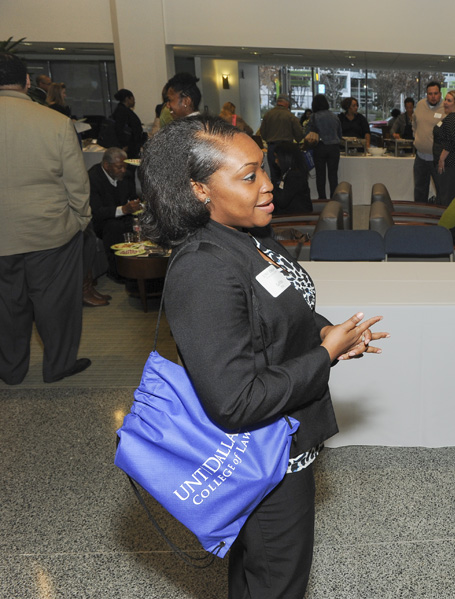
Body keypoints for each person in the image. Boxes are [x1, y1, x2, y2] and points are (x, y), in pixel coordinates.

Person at [138, 115, 387, 598]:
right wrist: (323, 354)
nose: (269, 185)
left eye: (264, 170)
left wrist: (328, 333)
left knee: (259, 575)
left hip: (283, 447)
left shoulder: (249, 237)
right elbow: (236, 401)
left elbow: (282, 310)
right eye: (249, 175)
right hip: (263, 460)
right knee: (277, 581)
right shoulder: (203, 270)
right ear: (199, 190)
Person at [0, 52, 92, 385]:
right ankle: (58, 365)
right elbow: (77, 183)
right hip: (51, 232)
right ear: (27, 82)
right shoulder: (54, 122)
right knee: (57, 305)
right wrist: (81, 220)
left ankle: (10, 369)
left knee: (7, 306)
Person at [88, 147, 141, 281]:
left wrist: (137, 207)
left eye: (125, 166)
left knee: (142, 223)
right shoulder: (92, 178)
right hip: (102, 221)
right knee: (114, 227)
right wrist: (123, 210)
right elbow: (97, 211)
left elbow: (133, 198)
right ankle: (117, 272)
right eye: (119, 167)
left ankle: (140, 268)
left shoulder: (126, 175)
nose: (124, 170)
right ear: (106, 166)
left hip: (125, 215)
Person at [257, 95, 305, 184]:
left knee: (274, 176)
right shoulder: (290, 116)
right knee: (287, 175)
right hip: (286, 149)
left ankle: (276, 195)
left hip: (272, 148)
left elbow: (262, 133)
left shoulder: (268, 115)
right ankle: (286, 195)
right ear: (287, 104)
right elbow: (299, 135)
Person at [412, 81, 445, 203]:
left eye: (435, 93)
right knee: (420, 189)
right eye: (430, 94)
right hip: (420, 157)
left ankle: (439, 217)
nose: (433, 96)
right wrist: (416, 137)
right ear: (426, 94)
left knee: (441, 189)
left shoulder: (445, 108)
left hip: (437, 159)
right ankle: (419, 216)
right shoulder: (420, 105)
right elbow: (414, 123)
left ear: (440, 94)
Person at [432, 90, 455, 206]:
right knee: (445, 195)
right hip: (451, 163)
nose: (445, 103)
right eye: (445, 100)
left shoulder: (453, 118)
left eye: (449, 100)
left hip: (449, 163)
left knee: (447, 197)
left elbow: (451, 141)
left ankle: (445, 222)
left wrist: (441, 159)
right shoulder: (454, 116)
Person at [307, 93, 343, 199]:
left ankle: (322, 199)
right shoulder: (334, 116)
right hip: (334, 148)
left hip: (320, 147)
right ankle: (333, 198)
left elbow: (309, 133)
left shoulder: (314, 116)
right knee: (333, 176)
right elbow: (340, 134)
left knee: (320, 175)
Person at [270, 142, 312, 214]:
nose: (276, 161)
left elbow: (282, 201)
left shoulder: (295, 176)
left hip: (294, 218)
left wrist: (271, 185)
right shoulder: (291, 172)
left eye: (277, 157)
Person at [111, 88, 145, 159]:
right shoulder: (122, 111)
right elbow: (119, 129)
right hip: (129, 147)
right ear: (127, 99)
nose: (134, 101)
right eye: (132, 98)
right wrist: (124, 145)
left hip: (132, 145)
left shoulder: (123, 110)